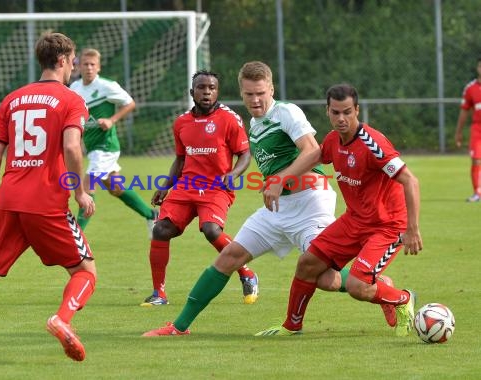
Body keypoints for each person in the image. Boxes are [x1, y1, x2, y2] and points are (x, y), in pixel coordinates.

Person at [142, 62, 395, 336]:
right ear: (242, 93)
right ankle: (179, 327)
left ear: (271, 89)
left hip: (310, 204)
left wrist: (279, 179)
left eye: (261, 93)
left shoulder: (285, 112)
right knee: (229, 257)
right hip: (277, 208)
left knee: (325, 279)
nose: (255, 100)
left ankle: (383, 289)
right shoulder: (253, 124)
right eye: (249, 94)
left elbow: (311, 150)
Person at [0, 32, 96, 362]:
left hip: (8, 202)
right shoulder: (70, 100)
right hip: (46, 204)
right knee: (85, 271)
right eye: (72, 62)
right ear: (64, 60)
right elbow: (71, 147)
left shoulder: (12, 99)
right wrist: (80, 191)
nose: (73, 68)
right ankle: (62, 320)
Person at [254, 83, 422, 337]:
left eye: (347, 112)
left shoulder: (372, 144)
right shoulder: (333, 140)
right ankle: (291, 326)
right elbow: (313, 157)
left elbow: (410, 180)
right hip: (354, 221)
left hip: (387, 226)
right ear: (327, 112)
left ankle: (401, 298)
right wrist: (279, 180)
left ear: (357, 110)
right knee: (309, 265)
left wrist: (412, 229)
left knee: (357, 286)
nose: (341, 118)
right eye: (335, 112)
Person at [140, 69, 259, 307]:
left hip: (216, 187)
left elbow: (245, 154)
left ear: (217, 91)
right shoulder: (182, 122)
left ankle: (246, 272)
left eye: (212, 88)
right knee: (160, 230)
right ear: (192, 92)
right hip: (186, 187)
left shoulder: (229, 119)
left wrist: (233, 174)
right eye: (202, 87)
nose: (207, 92)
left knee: (211, 230)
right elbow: (180, 159)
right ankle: (159, 294)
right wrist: (165, 186)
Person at [70, 48, 158, 235]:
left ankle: (76, 236)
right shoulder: (75, 88)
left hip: (106, 146)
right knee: (115, 187)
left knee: (87, 186)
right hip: (92, 146)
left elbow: (130, 103)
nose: (89, 68)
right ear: (79, 66)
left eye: (93, 65)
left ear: (99, 67)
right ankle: (151, 214)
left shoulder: (107, 86)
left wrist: (112, 120)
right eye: (85, 64)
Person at [455, 57, 481, 202]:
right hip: (478, 128)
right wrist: (458, 132)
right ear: (478, 68)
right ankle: (477, 193)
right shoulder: (470, 88)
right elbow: (464, 111)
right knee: (476, 160)